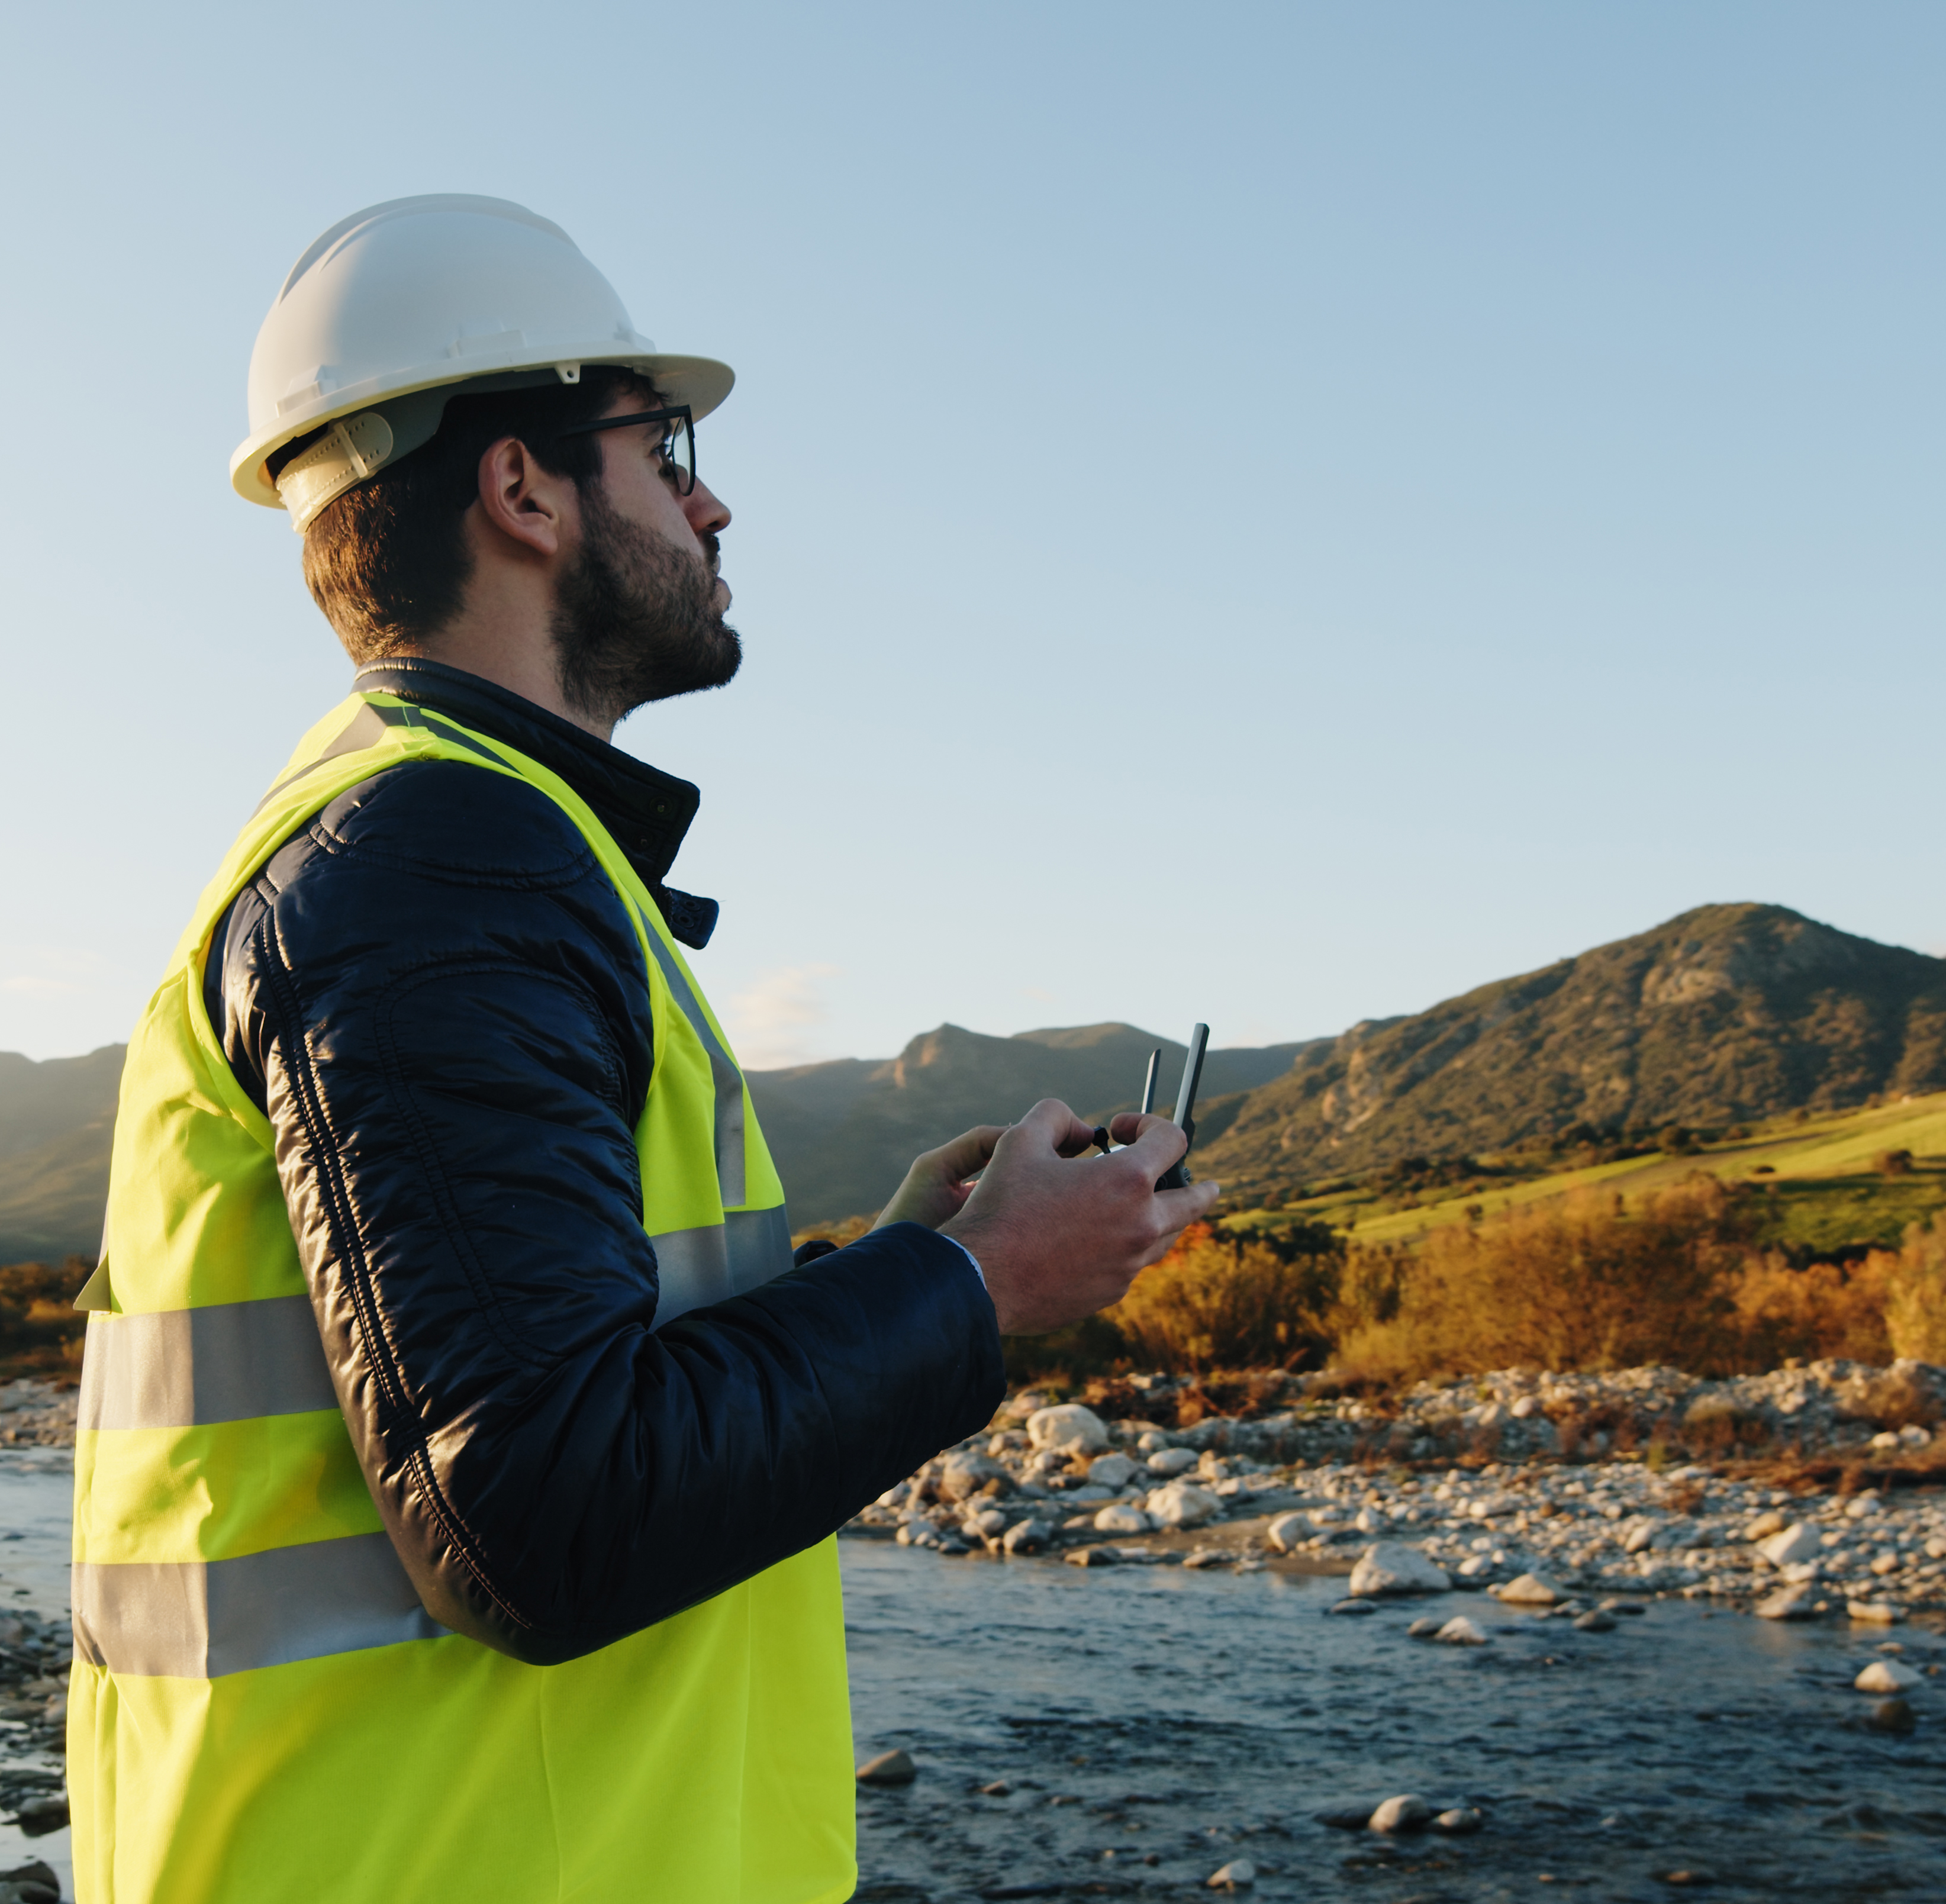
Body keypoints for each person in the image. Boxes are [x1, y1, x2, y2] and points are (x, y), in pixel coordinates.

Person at [63, 195, 1216, 1904]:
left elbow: (564, 1380)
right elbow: (542, 1508)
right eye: (659, 448)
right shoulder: (434, 867)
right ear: (522, 491)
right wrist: (979, 1289)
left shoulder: (458, 845)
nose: (712, 497)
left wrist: (919, 1254)